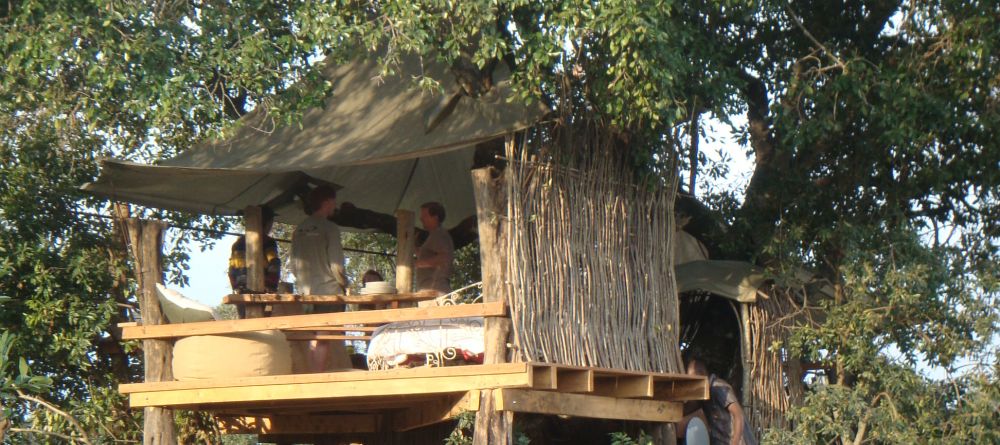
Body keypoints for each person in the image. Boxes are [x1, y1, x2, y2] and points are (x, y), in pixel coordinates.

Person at [290, 185, 352, 372]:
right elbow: (337, 266)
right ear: (326, 202)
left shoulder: (299, 230)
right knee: (325, 338)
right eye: (333, 202)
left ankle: (310, 373)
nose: (335, 206)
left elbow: (293, 265)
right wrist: (344, 284)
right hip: (329, 293)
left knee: (311, 337)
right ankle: (317, 377)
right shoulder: (330, 228)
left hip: (306, 293)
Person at [684, 358, 757, 445]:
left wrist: (735, 443)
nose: (693, 384)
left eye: (694, 380)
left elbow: (738, 415)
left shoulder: (719, 388)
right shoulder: (702, 394)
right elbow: (686, 410)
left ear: (703, 375)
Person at [228, 207, 281, 318]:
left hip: (241, 293)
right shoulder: (268, 242)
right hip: (262, 291)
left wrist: (237, 287)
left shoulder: (237, 244)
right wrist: (271, 288)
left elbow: (231, 271)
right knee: (263, 326)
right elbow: (274, 264)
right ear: (267, 223)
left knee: (246, 325)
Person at [414, 202, 454, 296]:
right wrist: (413, 246)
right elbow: (426, 257)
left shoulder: (439, 234)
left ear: (435, 218)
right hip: (430, 290)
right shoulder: (434, 235)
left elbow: (445, 258)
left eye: (424, 215)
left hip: (435, 290)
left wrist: (417, 264)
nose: (421, 218)